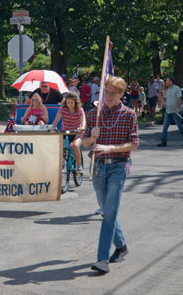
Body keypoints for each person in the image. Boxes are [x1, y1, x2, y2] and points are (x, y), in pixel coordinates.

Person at [82, 75, 139, 274]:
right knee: (106, 211)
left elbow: (134, 144)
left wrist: (110, 147)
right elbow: (85, 142)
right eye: (106, 92)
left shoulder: (129, 114)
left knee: (109, 214)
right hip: (98, 166)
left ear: (122, 94)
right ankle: (121, 246)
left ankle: (102, 259)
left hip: (118, 166)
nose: (108, 96)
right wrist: (92, 137)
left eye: (113, 93)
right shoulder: (93, 114)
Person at [50, 92, 86, 174]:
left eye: (72, 103)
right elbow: (57, 119)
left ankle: (79, 166)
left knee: (75, 146)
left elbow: (83, 121)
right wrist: (53, 127)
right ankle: (63, 164)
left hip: (76, 132)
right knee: (62, 148)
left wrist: (82, 128)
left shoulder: (79, 110)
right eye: (68, 102)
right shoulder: (62, 108)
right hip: (65, 131)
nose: (69, 104)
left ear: (76, 102)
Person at [157, 76, 183, 147]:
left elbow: (179, 98)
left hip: (175, 112)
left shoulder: (176, 88)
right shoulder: (168, 90)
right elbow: (166, 100)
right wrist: (161, 97)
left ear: (171, 82)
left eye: (167, 81)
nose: (166, 82)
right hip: (168, 112)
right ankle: (163, 141)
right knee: (165, 127)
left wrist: (178, 108)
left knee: (180, 127)